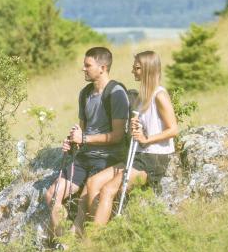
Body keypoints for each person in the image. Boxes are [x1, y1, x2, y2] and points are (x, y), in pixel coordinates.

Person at [82, 50, 179, 227]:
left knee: (108, 190)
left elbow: (173, 129)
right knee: (93, 182)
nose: (133, 71)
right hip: (139, 155)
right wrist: (137, 127)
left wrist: (146, 139)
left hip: (154, 158)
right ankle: (95, 228)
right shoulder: (143, 96)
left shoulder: (160, 95)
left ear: (148, 69)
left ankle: (93, 242)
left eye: (137, 68)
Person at [44, 47, 129, 239]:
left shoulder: (116, 93)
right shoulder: (85, 94)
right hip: (84, 158)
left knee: (83, 211)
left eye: (87, 65)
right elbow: (82, 130)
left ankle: (72, 249)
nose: (83, 69)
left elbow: (117, 136)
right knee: (51, 195)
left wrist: (84, 139)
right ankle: (64, 242)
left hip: (108, 159)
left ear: (103, 67)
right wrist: (72, 141)